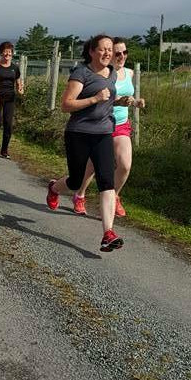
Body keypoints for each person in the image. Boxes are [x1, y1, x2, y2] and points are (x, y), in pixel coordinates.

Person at [46, 34, 131, 252]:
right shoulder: (81, 73)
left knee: (106, 181)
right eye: (102, 49)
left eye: (110, 49)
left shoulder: (112, 74)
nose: (107, 53)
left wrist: (122, 101)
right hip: (79, 133)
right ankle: (55, 188)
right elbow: (66, 105)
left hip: (104, 133)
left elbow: (108, 100)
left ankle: (108, 233)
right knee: (75, 181)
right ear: (92, 51)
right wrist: (93, 99)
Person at [74, 38, 145, 217]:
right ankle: (80, 195)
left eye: (125, 53)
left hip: (121, 125)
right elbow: (101, 96)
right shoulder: (104, 73)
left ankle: (114, 196)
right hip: (102, 124)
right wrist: (115, 100)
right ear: (111, 54)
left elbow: (127, 98)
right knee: (91, 166)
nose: (121, 56)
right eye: (118, 53)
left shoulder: (129, 73)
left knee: (125, 165)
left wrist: (136, 102)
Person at [0, 41, 23, 159]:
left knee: (8, 124)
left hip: (10, 98)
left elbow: (18, 79)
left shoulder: (15, 68)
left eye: (9, 52)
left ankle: (4, 150)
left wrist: (20, 88)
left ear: (12, 54)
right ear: (1, 53)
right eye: (5, 52)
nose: (7, 54)